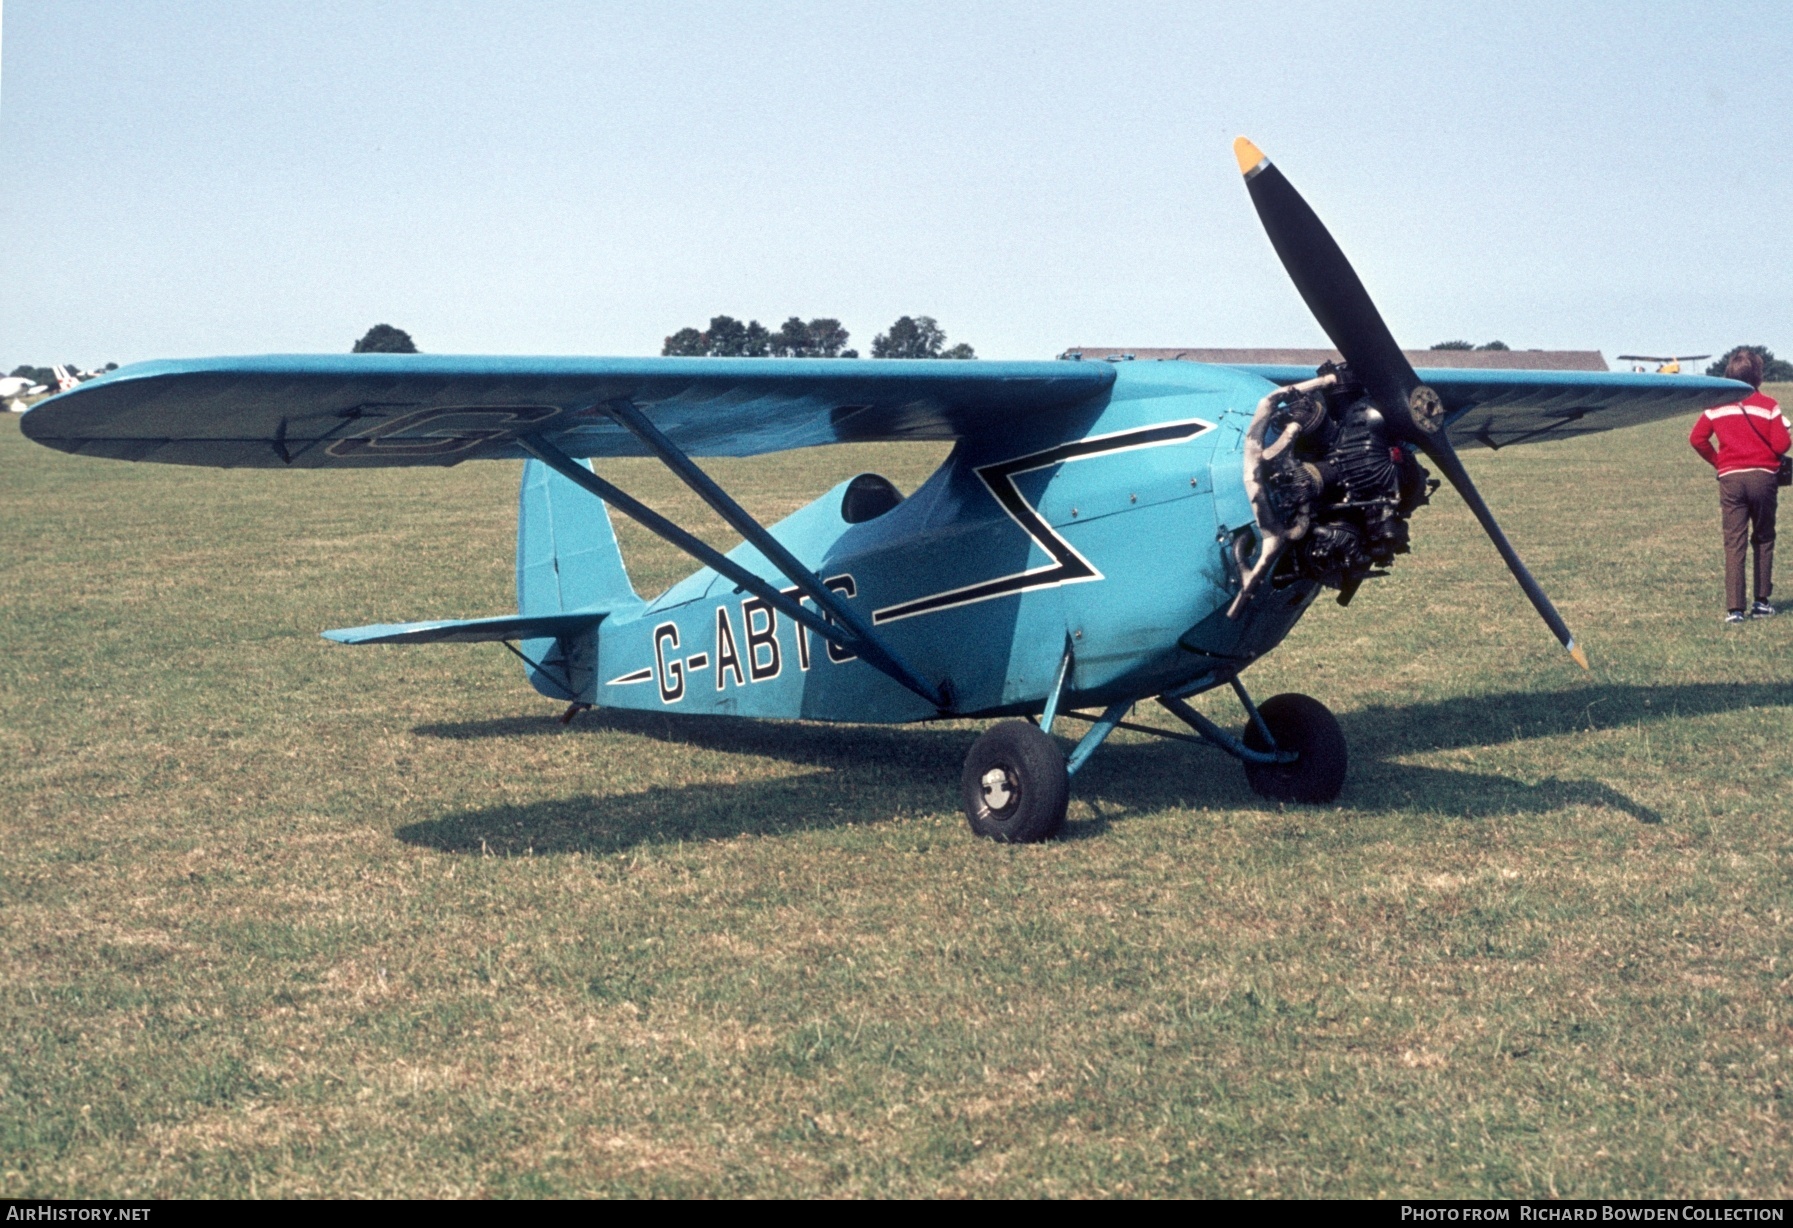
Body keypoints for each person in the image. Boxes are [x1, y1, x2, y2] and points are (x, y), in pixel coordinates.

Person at [1689, 349, 1790, 622]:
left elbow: (1697, 438)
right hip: (1763, 478)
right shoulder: (1769, 405)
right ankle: (1761, 602)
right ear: (1758, 376)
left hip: (1731, 478)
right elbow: (1782, 445)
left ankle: (1735, 608)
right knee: (1764, 537)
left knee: (1734, 542)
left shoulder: (1715, 406)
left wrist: (1719, 462)